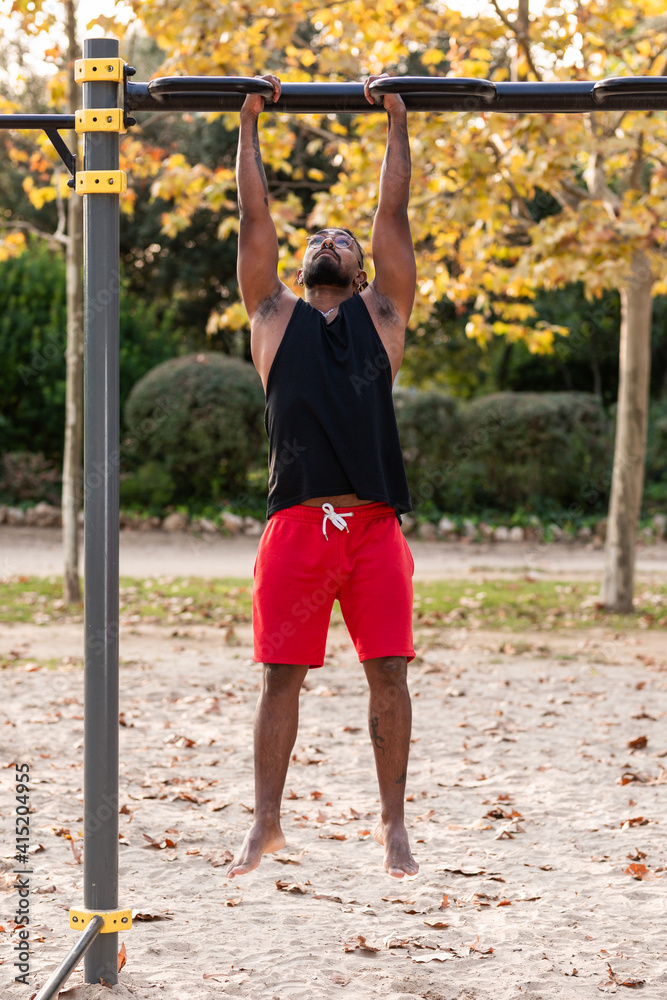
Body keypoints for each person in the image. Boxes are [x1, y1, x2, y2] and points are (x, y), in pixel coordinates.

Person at [227, 73, 418, 880]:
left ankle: (393, 826)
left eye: (341, 239)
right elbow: (253, 219)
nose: (330, 240)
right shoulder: (272, 317)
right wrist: (246, 123)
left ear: (363, 270)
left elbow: (392, 218)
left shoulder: (382, 316)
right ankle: (264, 825)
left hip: (372, 527)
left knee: (388, 676)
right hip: (298, 528)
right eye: (321, 237)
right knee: (280, 679)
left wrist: (397, 124)